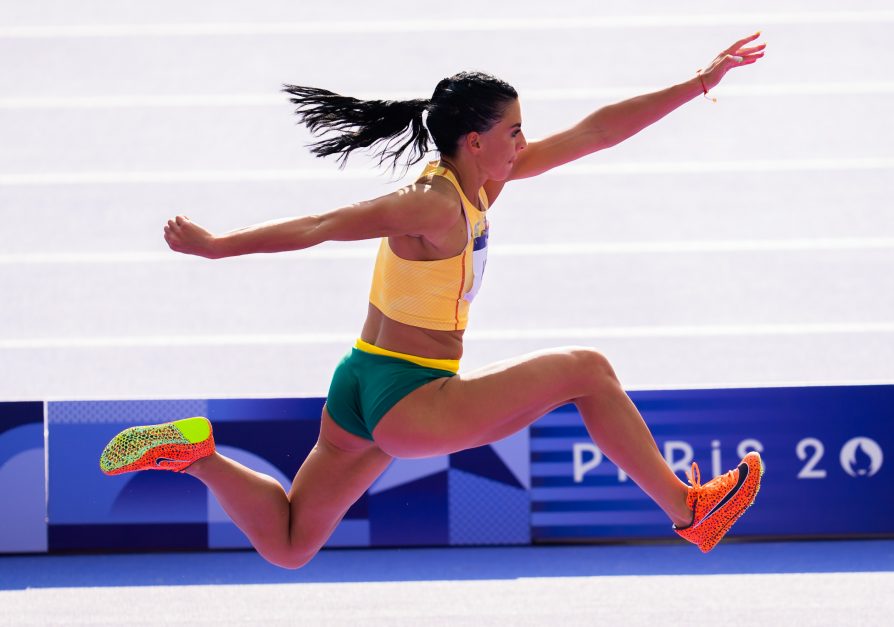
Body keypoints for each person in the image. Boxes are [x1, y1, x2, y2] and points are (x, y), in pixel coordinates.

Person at [100, 33, 767, 567]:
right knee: (586, 370)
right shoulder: (432, 204)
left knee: (290, 541)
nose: (524, 142)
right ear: (474, 141)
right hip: (410, 396)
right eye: (513, 131)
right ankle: (689, 508)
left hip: (361, 380)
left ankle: (197, 454)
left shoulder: (478, 184)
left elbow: (595, 132)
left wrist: (699, 83)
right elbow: (322, 225)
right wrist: (216, 246)